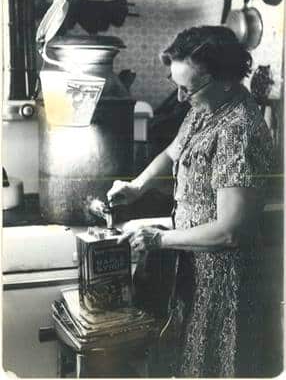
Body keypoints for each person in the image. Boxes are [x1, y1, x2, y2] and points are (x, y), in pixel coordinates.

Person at [106, 26, 274, 377]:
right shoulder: (206, 106)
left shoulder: (237, 129)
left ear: (226, 79)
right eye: (177, 85)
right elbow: (173, 151)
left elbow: (231, 231)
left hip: (226, 284)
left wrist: (160, 239)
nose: (181, 98)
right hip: (195, 271)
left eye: (188, 88)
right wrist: (137, 186)